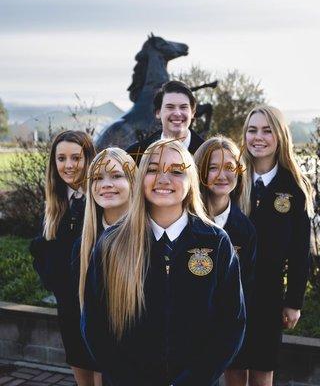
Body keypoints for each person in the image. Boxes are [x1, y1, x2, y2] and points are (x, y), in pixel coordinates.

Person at [81, 139, 246, 386]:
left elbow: (231, 325)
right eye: (153, 169)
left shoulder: (216, 242)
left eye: (177, 171)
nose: (163, 178)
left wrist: (193, 380)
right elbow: (94, 326)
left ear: (190, 180)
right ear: (141, 178)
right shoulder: (112, 242)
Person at [234, 105, 313, 386]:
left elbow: (300, 252)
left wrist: (293, 302)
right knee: (234, 369)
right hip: (231, 294)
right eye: (252, 130)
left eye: (267, 130)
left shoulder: (294, 187)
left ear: (279, 136)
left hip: (269, 297)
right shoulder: (232, 179)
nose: (259, 137)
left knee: (261, 371)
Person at [30, 130, 99, 386]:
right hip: (68, 306)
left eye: (76, 157)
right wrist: (54, 281)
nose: (68, 165)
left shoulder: (100, 199)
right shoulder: (55, 204)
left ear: (89, 158)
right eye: (61, 158)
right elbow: (42, 249)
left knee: (102, 368)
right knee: (78, 363)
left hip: (98, 305)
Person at [194, 136, 257, 385]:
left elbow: (247, 287)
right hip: (189, 328)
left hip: (229, 326)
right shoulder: (185, 221)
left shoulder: (245, 229)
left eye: (230, 167)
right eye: (212, 167)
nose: (222, 175)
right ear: (199, 171)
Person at [71, 147, 136, 312]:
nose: (106, 184)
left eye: (116, 175)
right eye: (97, 178)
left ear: (133, 181)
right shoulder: (82, 247)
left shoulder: (153, 238)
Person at [126, 80, 204, 165]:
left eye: (183, 107)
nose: (177, 113)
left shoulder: (209, 154)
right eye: (170, 107)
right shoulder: (134, 155)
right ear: (158, 113)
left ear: (193, 113)